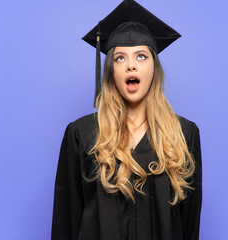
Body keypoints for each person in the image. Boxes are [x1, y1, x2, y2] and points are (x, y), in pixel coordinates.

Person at [51, 0, 202, 239]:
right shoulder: (82, 135)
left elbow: (189, 226)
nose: (131, 65)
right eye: (120, 58)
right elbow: (66, 223)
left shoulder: (183, 133)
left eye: (141, 56)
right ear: (111, 70)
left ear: (155, 67)